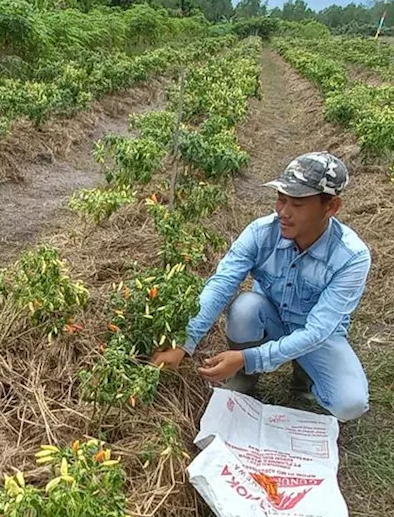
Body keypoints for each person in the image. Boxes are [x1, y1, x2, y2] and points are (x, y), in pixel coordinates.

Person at [151, 152, 371, 422]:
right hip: (271, 318)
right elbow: (221, 285)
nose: (284, 212)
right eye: (281, 198)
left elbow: (317, 331)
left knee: (350, 404)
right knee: (245, 307)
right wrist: (185, 344)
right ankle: (247, 378)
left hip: (317, 337)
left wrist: (247, 356)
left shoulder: (351, 257)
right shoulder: (260, 233)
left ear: (331, 207)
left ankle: (305, 376)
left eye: (298, 204)